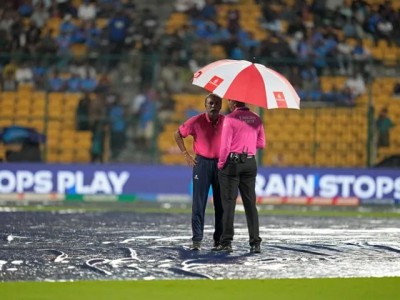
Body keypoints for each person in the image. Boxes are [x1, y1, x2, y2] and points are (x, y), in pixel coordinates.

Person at [213, 100, 265, 253]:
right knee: (250, 205)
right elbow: (261, 143)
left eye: (229, 100)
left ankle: (226, 242)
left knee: (228, 204)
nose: (228, 103)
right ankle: (255, 243)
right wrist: (247, 143)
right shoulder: (256, 118)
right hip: (250, 162)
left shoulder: (230, 119)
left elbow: (225, 146)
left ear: (234, 103)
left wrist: (221, 164)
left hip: (232, 164)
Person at [174, 94, 224, 251]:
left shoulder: (226, 122)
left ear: (221, 105)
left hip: (221, 164)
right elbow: (177, 134)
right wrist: (185, 154)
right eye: (210, 103)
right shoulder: (196, 121)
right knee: (198, 203)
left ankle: (219, 240)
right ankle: (197, 239)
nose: (213, 106)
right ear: (205, 105)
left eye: (216, 103)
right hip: (201, 163)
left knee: (221, 205)